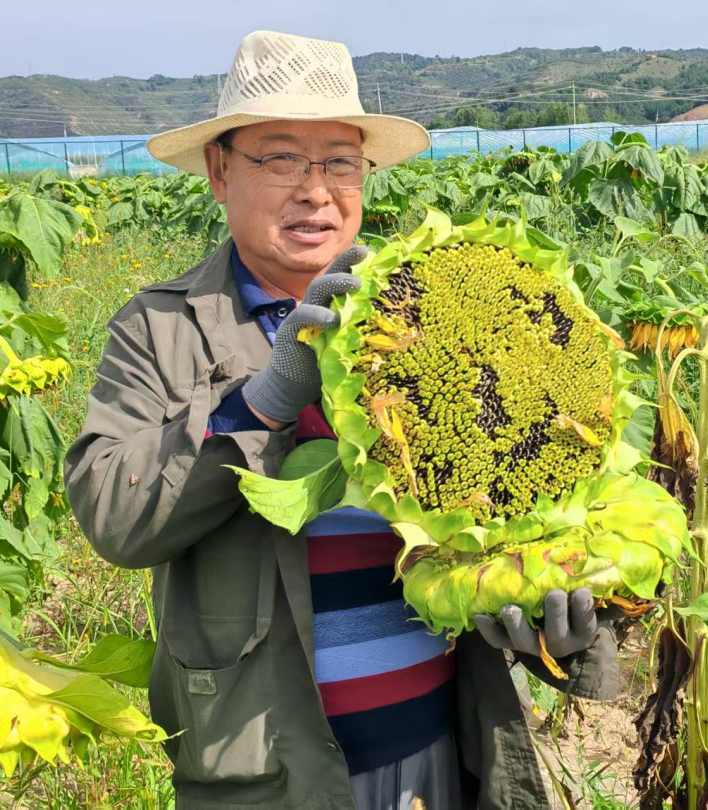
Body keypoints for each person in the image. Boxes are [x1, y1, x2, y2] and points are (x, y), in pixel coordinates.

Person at [65, 30, 619, 810]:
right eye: (282, 159)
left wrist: (558, 615)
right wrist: (264, 398)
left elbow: (538, 485)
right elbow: (116, 519)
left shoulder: (436, 301)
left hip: (439, 750)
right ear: (219, 170)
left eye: (340, 163)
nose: (316, 191)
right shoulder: (160, 327)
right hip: (265, 774)